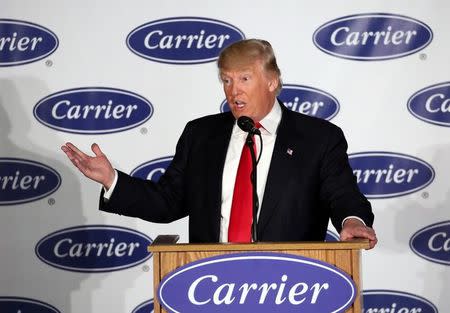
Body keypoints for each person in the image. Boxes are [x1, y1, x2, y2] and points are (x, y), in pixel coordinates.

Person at [61, 39, 377, 248]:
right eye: (226, 79)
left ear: (271, 81)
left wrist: (352, 221)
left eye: (244, 78)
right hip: (213, 286)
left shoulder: (318, 138)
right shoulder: (201, 135)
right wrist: (112, 180)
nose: (233, 91)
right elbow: (168, 201)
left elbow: (343, 195)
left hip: (289, 287)